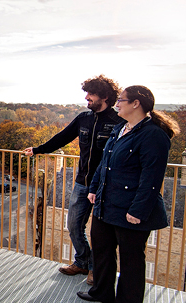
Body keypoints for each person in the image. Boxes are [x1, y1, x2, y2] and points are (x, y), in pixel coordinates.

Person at [77, 85, 180, 303]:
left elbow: (151, 178)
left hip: (131, 209)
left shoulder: (153, 135)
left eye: (121, 100)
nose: (117, 104)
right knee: (101, 249)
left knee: (131, 258)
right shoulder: (122, 128)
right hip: (106, 203)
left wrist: (138, 211)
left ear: (136, 104)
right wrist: (93, 188)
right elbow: (105, 162)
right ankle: (101, 292)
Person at [23, 75, 123, 285]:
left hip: (106, 187)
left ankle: (96, 270)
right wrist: (38, 150)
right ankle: (82, 261)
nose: (87, 98)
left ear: (104, 96)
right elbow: (62, 137)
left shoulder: (119, 122)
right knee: (74, 225)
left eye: (91, 94)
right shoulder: (83, 118)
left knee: (100, 233)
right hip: (82, 183)